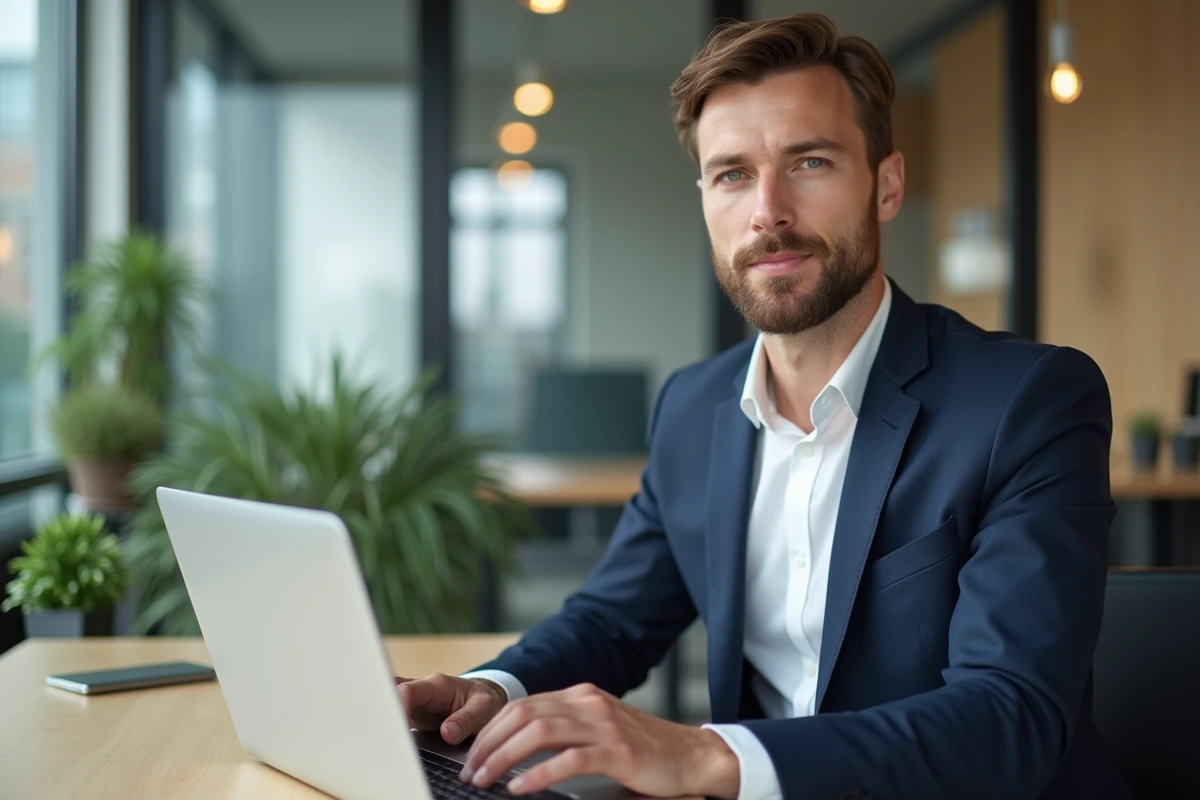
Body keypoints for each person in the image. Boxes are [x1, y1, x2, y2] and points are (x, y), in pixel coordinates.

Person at [396, 13, 1133, 800]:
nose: (767, 211)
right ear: (705, 199)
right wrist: (492, 690)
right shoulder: (692, 408)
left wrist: (705, 755)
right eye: (732, 175)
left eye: (809, 162)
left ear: (886, 185)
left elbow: (1009, 719)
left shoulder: (1027, 402)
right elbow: (612, 620)